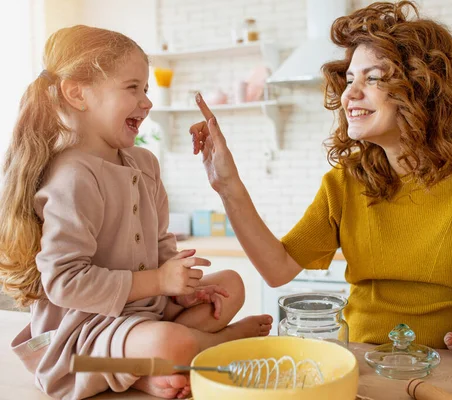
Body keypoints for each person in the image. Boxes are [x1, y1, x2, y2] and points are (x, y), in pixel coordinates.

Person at [190, 1, 452, 361]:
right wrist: (227, 185)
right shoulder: (346, 180)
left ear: (422, 87)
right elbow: (277, 269)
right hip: (360, 359)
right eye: (350, 79)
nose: (350, 94)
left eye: (372, 78)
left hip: (449, 364)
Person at [0, 25, 272, 400]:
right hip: (82, 340)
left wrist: (182, 293)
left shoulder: (144, 163)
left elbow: (160, 245)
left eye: (146, 89)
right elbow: (64, 283)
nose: (147, 102)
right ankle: (219, 344)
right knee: (169, 342)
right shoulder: (73, 176)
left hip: (144, 319)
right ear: (78, 93)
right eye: (132, 88)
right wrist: (160, 282)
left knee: (230, 285)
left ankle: (147, 373)